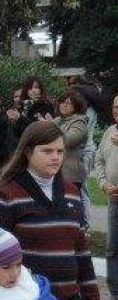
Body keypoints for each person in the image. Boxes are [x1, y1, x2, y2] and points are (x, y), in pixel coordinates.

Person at [0, 120, 101, 300]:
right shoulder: (6, 196)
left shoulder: (72, 193)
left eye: (60, 151)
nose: (55, 157)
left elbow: (82, 255)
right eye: (47, 151)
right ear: (28, 152)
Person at [93, 94, 118, 300]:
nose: (117, 110)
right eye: (115, 107)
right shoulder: (109, 132)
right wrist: (102, 183)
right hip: (114, 200)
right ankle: (115, 297)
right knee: (112, 249)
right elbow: (99, 159)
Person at [55, 90, 90, 224]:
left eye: (68, 103)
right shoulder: (58, 120)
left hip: (72, 173)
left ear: (76, 106)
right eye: (62, 102)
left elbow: (69, 140)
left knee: (73, 207)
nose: (64, 105)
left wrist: (53, 127)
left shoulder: (79, 122)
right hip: (57, 172)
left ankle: (81, 230)